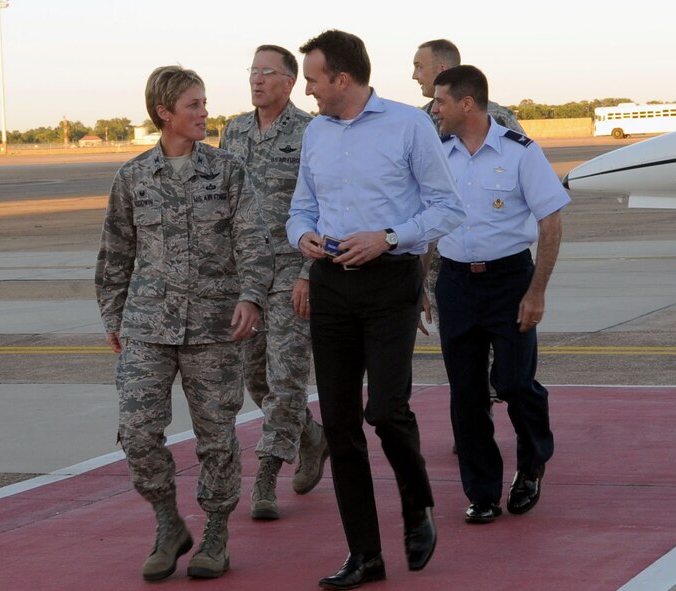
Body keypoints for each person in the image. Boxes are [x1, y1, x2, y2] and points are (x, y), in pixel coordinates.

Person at [287, 30, 464, 590]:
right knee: (340, 425)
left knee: (385, 409)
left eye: (313, 79)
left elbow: (446, 208)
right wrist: (304, 238)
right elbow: (300, 208)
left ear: (342, 78)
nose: (308, 90)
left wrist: (389, 237)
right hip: (331, 283)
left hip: (390, 281)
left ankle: (418, 505)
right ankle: (364, 554)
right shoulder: (315, 132)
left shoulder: (408, 125)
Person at [95, 65, 272, 581]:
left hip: (216, 327)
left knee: (216, 436)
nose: (204, 112)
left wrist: (252, 297)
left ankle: (215, 531)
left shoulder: (229, 171)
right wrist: (114, 317)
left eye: (204, 102)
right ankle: (169, 522)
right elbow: (115, 255)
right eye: (193, 105)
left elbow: (253, 240)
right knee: (137, 431)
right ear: (164, 113)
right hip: (146, 325)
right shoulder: (131, 177)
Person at [430, 65, 569, 524]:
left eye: (441, 101)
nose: (434, 109)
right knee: (466, 393)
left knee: (512, 382)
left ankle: (531, 463)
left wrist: (537, 291)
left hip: (509, 280)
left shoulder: (520, 153)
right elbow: (425, 224)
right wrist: (419, 289)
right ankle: (483, 491)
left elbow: (550, 221)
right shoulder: (437, 155)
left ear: (467, 104)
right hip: (454, 283)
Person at [220, 44, 328, 521]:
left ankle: (265, 477)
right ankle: (310, 435)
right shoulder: (235, 130)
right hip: (246, 276)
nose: (257, 80)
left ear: (290, 81)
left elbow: (327, 205)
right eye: (252, 71)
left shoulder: (312, 132)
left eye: (268, 72)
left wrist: (309, 272)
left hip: (291, 269)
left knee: (285, 379)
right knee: (255, 378)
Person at [412, 39, 525, 340]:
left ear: (443, 70)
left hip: (496, 263)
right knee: (461, 356)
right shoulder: (418, 123)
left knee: (501, 358)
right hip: (444, 267)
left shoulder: (499, 119)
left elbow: (521, 176)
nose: (414, 76)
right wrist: (418, 282)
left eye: (419, 66)